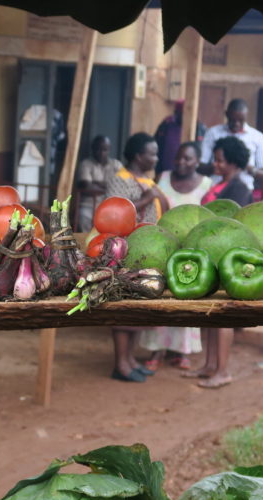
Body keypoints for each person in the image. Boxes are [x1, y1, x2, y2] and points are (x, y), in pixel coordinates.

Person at [182, 136, 255, 389]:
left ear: (233, 162)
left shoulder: (239, 189)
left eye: (220, 160)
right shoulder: (220, 183)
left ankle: (222, 371)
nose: (215, 163)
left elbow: (237, 226)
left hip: (227, 254)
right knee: (211, 313)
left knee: (223, 315)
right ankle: (209, 365)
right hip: (210, 254)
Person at [105, 132, 169, 382]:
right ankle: (120, 364)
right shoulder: (119, 179)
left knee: (137, 309)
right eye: (151, 153)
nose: (156, 157)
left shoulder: (148, 180)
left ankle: (130, 359)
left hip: (145, 252)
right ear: (137, 156)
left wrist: (154, 192)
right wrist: (148, 197)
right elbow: (116, 213)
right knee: (123, 308)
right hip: (124, 251)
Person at [142, 140, 207, 371]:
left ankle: (181, 350)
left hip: (192, 253)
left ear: (197, 161)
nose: (182, 162)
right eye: (179, 157)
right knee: (160, 297)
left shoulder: (206, 185)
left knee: (187, 299)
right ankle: (156, 349)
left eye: (188, 158)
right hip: (162, 249)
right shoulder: (164, 178)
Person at [199, 99, 263, 196]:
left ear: (246, 116)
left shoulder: (257, 137)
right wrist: (220, 166)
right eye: (232, 120)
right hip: (215, 190)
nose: (236, 124)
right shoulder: (213, 133)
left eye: (241, 120)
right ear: (226, 114)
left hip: (243, 192)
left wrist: (246, 167)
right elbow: (200, 166)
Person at [75, 135, 122, 232]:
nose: (101, 153)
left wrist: (96, 182)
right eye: (98, 149)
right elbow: (87, 186)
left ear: (109, 150)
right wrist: (111, 186)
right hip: (89, 205)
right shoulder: (86, 164)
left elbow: (122, 186)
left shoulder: (116, 165)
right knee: (83, 215)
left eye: (104, 150)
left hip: (111, 206)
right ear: (92, 149)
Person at [156, 141, 212, 206]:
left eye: (187, 159)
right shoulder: (162, 178)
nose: (180, 162)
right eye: (178, 157)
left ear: (198, 162)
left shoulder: (207, 185)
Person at [200, 136, 253, 206]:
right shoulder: (219, 184)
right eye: (215, 160)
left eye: (219, 161)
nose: (214, 164)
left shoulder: (239, 190)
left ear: (233, 163)